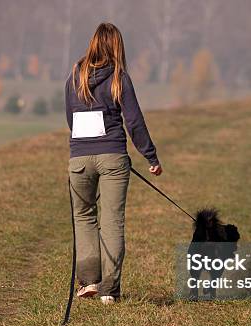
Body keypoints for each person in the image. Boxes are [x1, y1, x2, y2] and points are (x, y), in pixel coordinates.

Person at [65, 22, 162, 305]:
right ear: (118, 47)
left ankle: (87, 282)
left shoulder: (74, 76)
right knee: (112, 222)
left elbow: (71, 120)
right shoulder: (120, 77)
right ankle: (109, 290)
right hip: (113, 158)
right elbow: (134, 121)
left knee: (83, 218)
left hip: (79, 158)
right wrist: (151, 157)